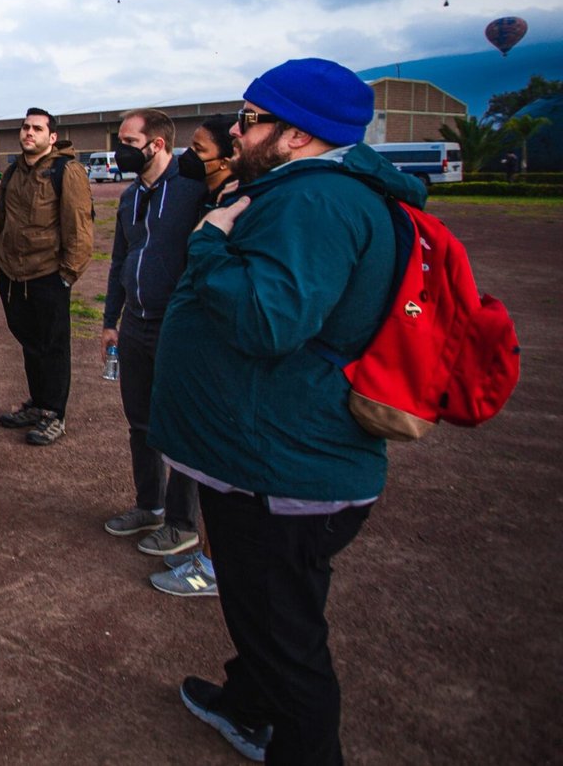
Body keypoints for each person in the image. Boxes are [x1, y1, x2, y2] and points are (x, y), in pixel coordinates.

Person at [150, 58, 423, 763]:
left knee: (286, 635)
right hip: (271, 459)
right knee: (262, 609)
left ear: (296, 134)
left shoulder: (316, 202)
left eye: (249, 119)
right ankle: (249, 702)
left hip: (285, 470)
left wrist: (209, 240)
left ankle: (301, 744)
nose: (237, 133)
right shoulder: (310, 192)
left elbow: (266, 320)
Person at [98, 110, 206, 559]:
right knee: (139, 422)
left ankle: (182, 524)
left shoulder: (193, 193)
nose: (119, 150)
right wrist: (111, 320)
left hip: (176, 328)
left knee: (179, 426)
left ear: (157, 144)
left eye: (129, 142)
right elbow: (119, 261)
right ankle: (150, 506)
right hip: (136, 326)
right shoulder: (129, 197)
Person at [147, 112, 238, 600]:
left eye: (200, 151)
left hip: (221, 353)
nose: (189, 158)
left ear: (228, 157)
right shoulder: (207, 198)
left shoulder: (238, 207)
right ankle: (197, 543)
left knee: (221, 464)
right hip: (197, 347)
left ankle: (214, 565)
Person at [0, 107, 94, 446]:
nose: (28, 133)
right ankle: (37, 404)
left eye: (36, 128)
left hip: (48, 274)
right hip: (12, 274)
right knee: (29, 341)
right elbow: (1, 218)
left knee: (53, 345)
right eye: (25, 127)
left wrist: (67, 274)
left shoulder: (67, 171)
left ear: (52, 137)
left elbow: (78, 226)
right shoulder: (12, 171)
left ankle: (54, 413)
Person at [181, 113, 237, 206]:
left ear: (224, 163)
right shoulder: (201, 193)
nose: (189, 153)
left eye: (198, 149)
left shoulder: (231, 201)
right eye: (192, 145)